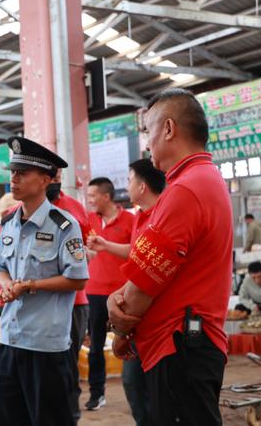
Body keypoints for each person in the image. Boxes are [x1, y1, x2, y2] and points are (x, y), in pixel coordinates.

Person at [107, 89, 233, 426]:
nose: (146, 144)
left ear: (169, 129)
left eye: (148, 131)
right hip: (191, 343)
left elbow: (147, 281)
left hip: (179, 346)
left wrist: (120, 326)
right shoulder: (204, 180)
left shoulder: (186, 190)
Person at [0, 136, 89, 426]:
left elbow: (77, 279)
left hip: (45, 345)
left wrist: (30, 286)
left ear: (46, 178)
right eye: (12, 172)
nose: (14, 179)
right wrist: (7, 282)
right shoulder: (7, 223)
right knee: (10, 418)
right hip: (10, 339)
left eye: (23, 173)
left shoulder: (65, 226)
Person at [87, 158, 165, 426]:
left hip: (148, 315)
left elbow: (147, 272)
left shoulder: (156, 219)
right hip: (118, 303)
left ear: (142, 186)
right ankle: (98, 395)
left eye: (130, 179)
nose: (127, 184)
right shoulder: (141, 218)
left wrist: (121, 328)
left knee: (155, 387)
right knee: (132, 381)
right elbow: (138, 261)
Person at [81, 177, 134, 411]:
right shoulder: (88, 221)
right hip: (93, 293)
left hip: (124, 295)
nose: (89, 200)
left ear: (106, 196)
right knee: (95, 347)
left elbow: (137, 254)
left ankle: (139, 389)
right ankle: (96, 393)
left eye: (92, 196)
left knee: (134, 344)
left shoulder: (131, 220)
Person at [46, 168, 92, 421]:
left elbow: (83, 255)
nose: (54, 182)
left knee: (68, 362)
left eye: (56, 177)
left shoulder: (75, 209)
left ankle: (70, 413)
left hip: (74, 302)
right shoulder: (18, 213)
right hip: (39, 302)